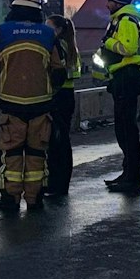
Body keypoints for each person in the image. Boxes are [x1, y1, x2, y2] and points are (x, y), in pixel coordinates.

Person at [0, 0, 65, 214]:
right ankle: (34, 200)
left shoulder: (1, 32)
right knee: (36, 154)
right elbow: (59, 72)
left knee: (11, 153)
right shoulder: (48, 34)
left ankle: (10, 200)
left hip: (11, 104)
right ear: (38, 9)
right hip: (41, 104)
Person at [97, 0, 140, 194]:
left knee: (127, 129)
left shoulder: (126, 20)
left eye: (109, 1)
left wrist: (107, 42)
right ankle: (128, 173)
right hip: (122, 76)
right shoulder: (123, 19)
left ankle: (132, 178)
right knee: (123, 129)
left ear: (117, 2)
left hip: (127, 76)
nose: (107, 5)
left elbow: (128, 48)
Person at [45, 11, 81, 199]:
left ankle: (55, 184)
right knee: (63, 141)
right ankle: (61, 184)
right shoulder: (70, 45)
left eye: (49, 27)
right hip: (67, 95)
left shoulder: (58, 46)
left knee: (56, 143)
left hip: (58, 96)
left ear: (58, 30)